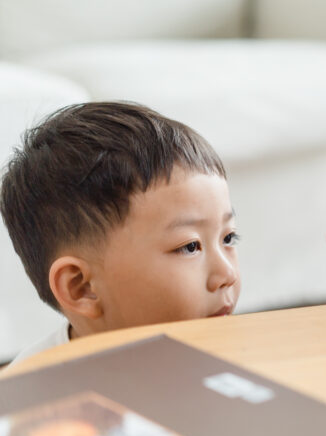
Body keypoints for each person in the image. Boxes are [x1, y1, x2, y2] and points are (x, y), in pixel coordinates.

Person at [1, 102, 240, 366]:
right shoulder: (36, 395)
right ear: (82, 287)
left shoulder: (243, 352)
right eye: (189, 246)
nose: (227, 275)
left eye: (228, 238)